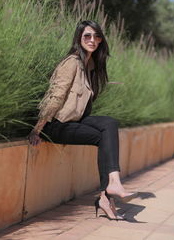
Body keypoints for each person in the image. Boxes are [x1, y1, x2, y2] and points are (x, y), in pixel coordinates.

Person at [28, 20, 137, 220]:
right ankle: (107, 193)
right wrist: (38, 129)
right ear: (79, 37)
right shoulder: (71, 62)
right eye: (87, 36)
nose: (92, 40)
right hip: (56, 125)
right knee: (103, 137)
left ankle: (111, 187)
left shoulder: (91, 65)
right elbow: (56, 96)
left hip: (75, 121)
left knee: (110, 124)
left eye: (96, 36)